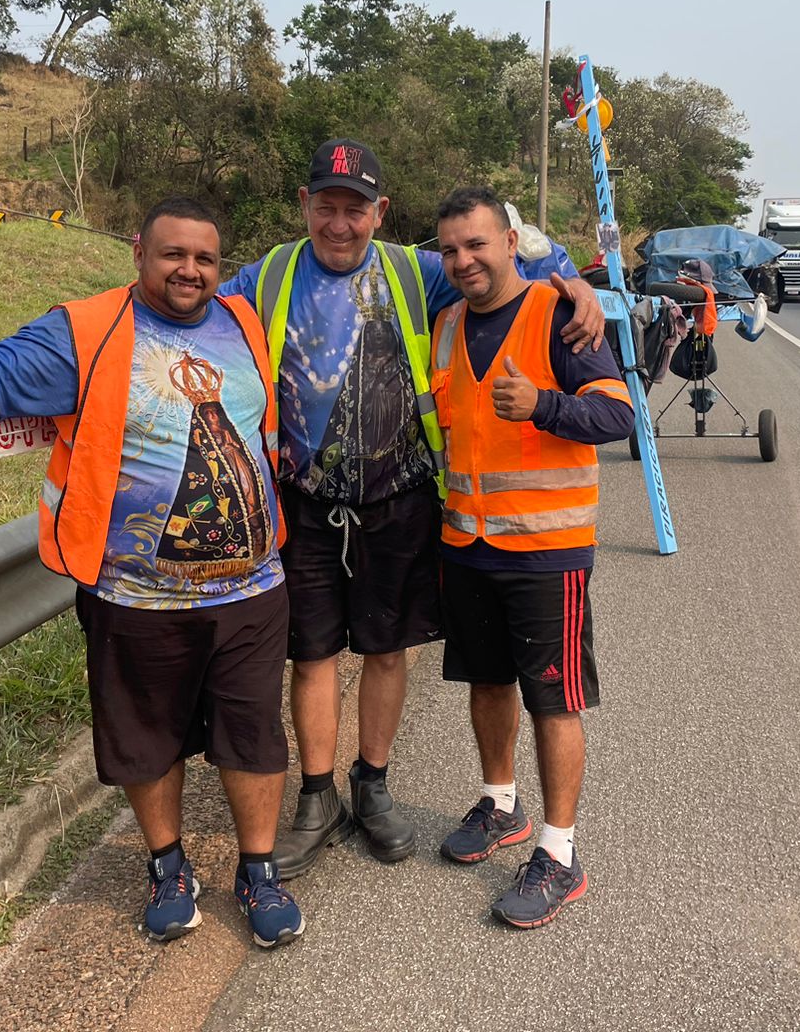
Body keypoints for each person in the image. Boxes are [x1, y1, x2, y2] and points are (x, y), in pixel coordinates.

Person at [0, 197, 306, 950]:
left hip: (251, 588)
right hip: (135, 596)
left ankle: (258, 871)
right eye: (173, 254)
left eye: (204, 258)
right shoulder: (88, 331)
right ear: (140, 251)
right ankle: (167, 866)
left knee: (254, 737)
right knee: (148, 738)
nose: (189, 270)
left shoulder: (241, 324)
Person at [220, 140, 606, 878]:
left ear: (381, 213)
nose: (340, 223)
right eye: (325, 207)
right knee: (312, 656)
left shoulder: (415, 270)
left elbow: (503, 264)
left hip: (396, 500)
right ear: (303, 205)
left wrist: (569, 284)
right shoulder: (265, 275)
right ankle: (316, 797)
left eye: (355, 209)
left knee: (386, 650)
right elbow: (192, 303)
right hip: (301, 502)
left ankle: (372, 787)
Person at [428, 186, 633, 929]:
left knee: (553, 699)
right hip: (469, 544)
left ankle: (559, 853)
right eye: (450, 249)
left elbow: (616, 413)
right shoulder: (445, 322)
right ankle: (500, 804)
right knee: (487, 683)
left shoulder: (559, 316)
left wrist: (545, 406)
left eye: (477, 244)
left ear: (512, 242)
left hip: (547, 552)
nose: (463, 260)